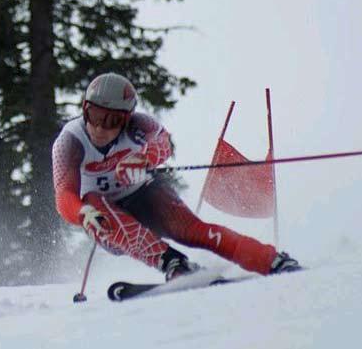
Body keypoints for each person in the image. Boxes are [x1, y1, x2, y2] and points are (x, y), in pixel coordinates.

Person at [52, 73, 301, 281]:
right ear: (84, 109)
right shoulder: (70, 141)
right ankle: (171, 262)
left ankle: (270, 259)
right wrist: (80, 213)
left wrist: (143, 158)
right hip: (105, 217)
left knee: (193, 231)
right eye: (94, 116)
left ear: (126, 119)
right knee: (94, 203)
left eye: (111, 120)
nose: (100, 128)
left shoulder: (139, 126)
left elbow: (164, 143)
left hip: (145, 196)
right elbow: (64, 194)